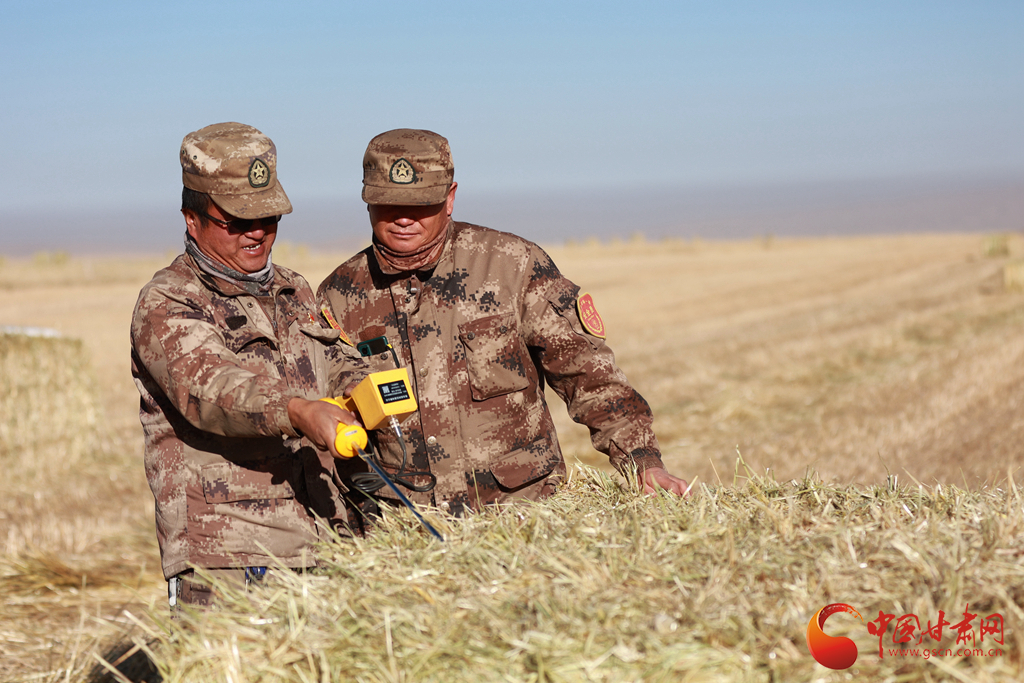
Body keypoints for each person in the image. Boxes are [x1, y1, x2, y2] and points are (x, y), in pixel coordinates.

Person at [317, 129, 689, 517]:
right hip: (402, 523)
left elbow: (588, 374)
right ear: (367, 202)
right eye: (387, 204)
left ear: (450, 198)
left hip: (520, 513)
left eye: (420, 203)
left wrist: (643, 462)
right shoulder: (336, 298)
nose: (403, 218)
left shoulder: (512, 266)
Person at [131, 122, 366, 607]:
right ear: (191, 219)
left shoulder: (295, 289)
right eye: (236, 221)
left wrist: (366, 391)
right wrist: (298, 410)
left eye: (268, 216)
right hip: (230, 556)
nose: (257, 232)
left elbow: (337, 362)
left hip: (323, 540)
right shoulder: (169, 301)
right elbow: (210, 388)